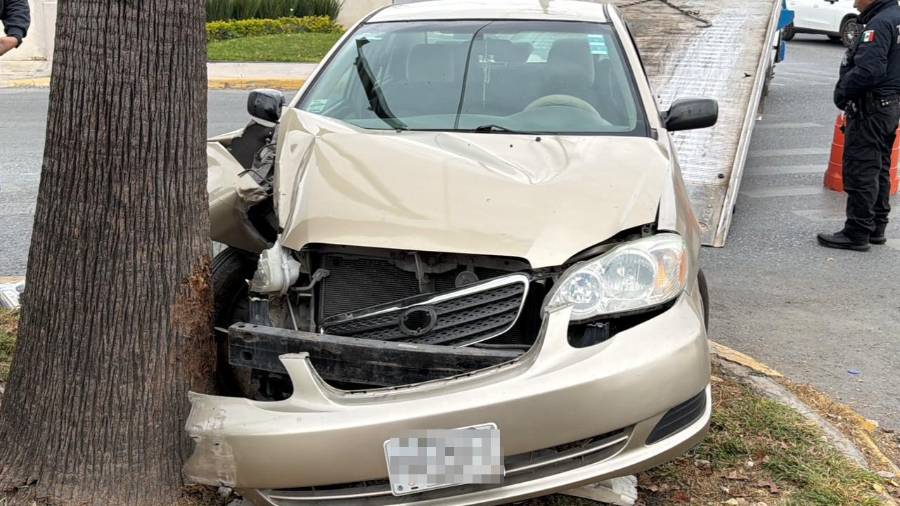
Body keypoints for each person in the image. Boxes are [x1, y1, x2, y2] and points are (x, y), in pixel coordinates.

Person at [820, 0, 900, 251]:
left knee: (861, 170)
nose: (854, 1)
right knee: (879, 168)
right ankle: (875, 226)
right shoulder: (895, 17)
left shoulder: (879, 23)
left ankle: (857, 232)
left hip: (871, 108)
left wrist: (841, 93)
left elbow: (868, 70)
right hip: (888, 106)